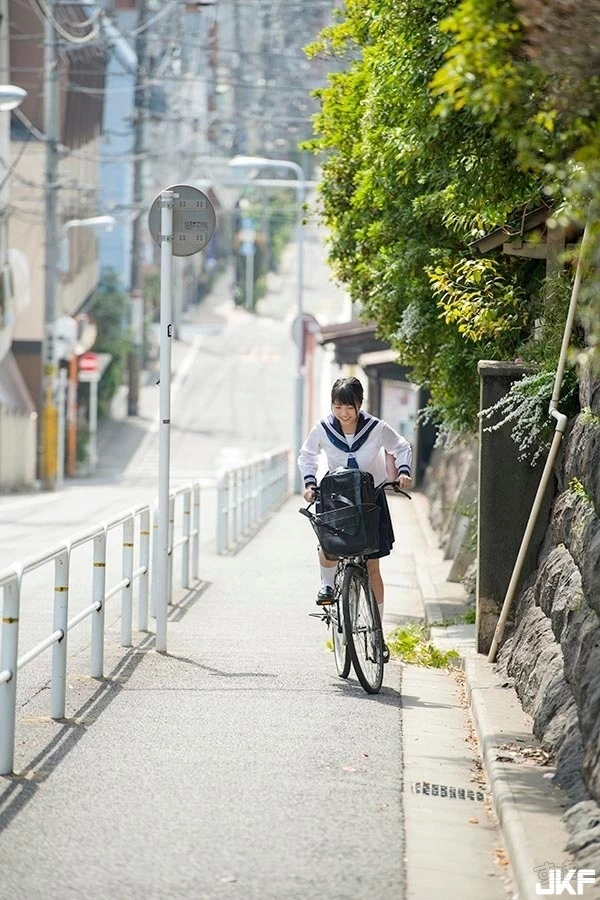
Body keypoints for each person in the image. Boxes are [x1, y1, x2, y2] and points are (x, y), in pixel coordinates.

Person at [298, 376, 413, 660]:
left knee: (373, 567)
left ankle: (377, 634)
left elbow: (401, 447)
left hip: (370, 499)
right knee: (329, 548)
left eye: (348, 407)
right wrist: (310, 483)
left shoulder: (376, 428)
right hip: (337, 496)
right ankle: (327, 584)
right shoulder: (323, 428)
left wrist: (404, 471)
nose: (343, 413)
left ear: (359, 404)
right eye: (338, 406)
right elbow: (307, 455)